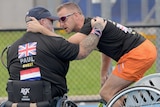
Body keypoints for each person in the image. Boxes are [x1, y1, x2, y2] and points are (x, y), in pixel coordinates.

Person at [26, 2, 157, 105]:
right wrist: (103, 73)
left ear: (76, 15)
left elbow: (64, 44)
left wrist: (41, 29)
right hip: (142, 50)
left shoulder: (90, 26)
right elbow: (106, 49)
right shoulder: (93, 26)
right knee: (115, 93)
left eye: (63, 19)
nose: (61, 24)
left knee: (106, 93)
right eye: (59, 20)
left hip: (138, 53)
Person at [6, 6, 106, 107]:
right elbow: (83, 51)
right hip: (50, 101)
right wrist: (97, 29)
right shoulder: (55, 43)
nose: (54, 26)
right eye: (51, 22)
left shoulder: (12, 49)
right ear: (43, 21)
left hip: (18, 101)